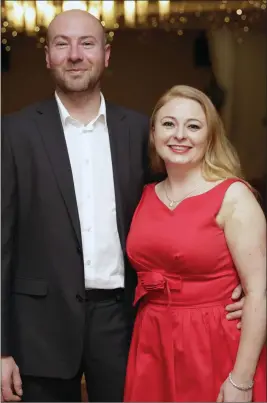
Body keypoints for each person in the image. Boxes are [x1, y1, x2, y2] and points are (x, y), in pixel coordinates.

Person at [1, 10, 244, 403]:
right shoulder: (12, 132)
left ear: (106, 54)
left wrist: (239, 287)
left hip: (125, 321)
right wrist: (1, 347)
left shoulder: (140, 131)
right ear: (47, 56)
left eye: (87, 43)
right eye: (62, 44)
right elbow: (3, 244)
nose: (75, 54)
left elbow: (180, 212)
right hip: (37, 327)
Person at [124, 85, 266, 402]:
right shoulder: (145, 194)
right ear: (153, 133)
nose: (180, 135)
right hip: (152, 340)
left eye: (193, 126)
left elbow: (259, 291)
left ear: (210, 136)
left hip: (214, 341)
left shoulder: (234, 196)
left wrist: (241, 380)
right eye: (169, 124)